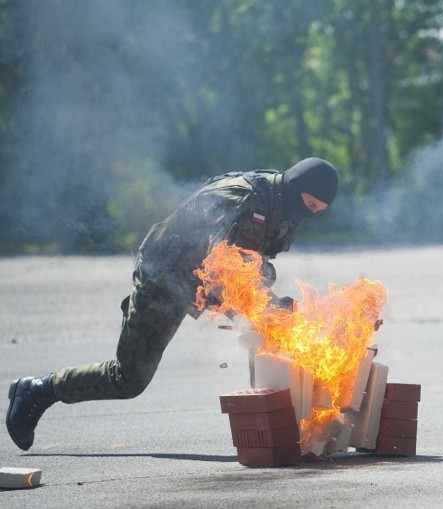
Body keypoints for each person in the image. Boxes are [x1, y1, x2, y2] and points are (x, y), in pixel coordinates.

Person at [6, 157, 339, 451]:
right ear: (297, 187)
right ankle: (37, 390)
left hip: (204, 278)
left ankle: (276, 432)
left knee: (269, 325)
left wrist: (269, 306)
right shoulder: (248, 198)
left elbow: (253, 264)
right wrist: (260, 309)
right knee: (128, 379)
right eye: (310, 206)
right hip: (164, 278)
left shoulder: (283, 206)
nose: (309, 215)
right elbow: (223, 267)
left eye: (317, 212)